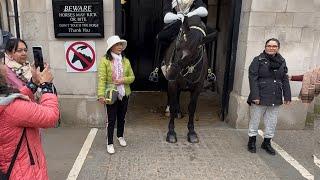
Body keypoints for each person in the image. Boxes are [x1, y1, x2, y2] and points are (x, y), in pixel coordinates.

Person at [0, 55, 59, 179]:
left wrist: (33, 84)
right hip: (24, 172)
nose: (5, 67)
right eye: (1, 63)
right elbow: (51, 117)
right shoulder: (12, 108)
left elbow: (10, 99)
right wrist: (47, 86)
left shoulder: (6, 104)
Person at [247, 38, 291, 155]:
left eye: (274, 46)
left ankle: (266, 142)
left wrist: (287, 96)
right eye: (269, 46)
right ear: (265, 47)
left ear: (278, 48)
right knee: (255, 120)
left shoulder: (282, 61)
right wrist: (255, 96)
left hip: (275, 96)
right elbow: (253, 78)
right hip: (260, 96)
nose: (271, 48)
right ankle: (252, 141)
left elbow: (284, 78)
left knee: (272, 121)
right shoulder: (258, 60)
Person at [149, 0, 211, 82]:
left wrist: (190, 14)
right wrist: (178, 16)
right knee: (160, 37)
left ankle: (209, 71)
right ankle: (156, 69)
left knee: (205, 38)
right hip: (178, 23)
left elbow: (204, 11)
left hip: (194, 23)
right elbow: (166, 17)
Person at [97, 35, 135, 154]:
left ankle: (120, 136)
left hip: (124, 93)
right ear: (111, 47)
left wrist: (123, 80)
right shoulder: (104, 60)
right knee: (111, 119)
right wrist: (101, 95)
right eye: (117, 45)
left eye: (121, 45)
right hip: (110, 94)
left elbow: (132, 77)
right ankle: (109, 143)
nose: (120, 47)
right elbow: (102, 79)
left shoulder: (126, 61)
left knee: (122, 118)